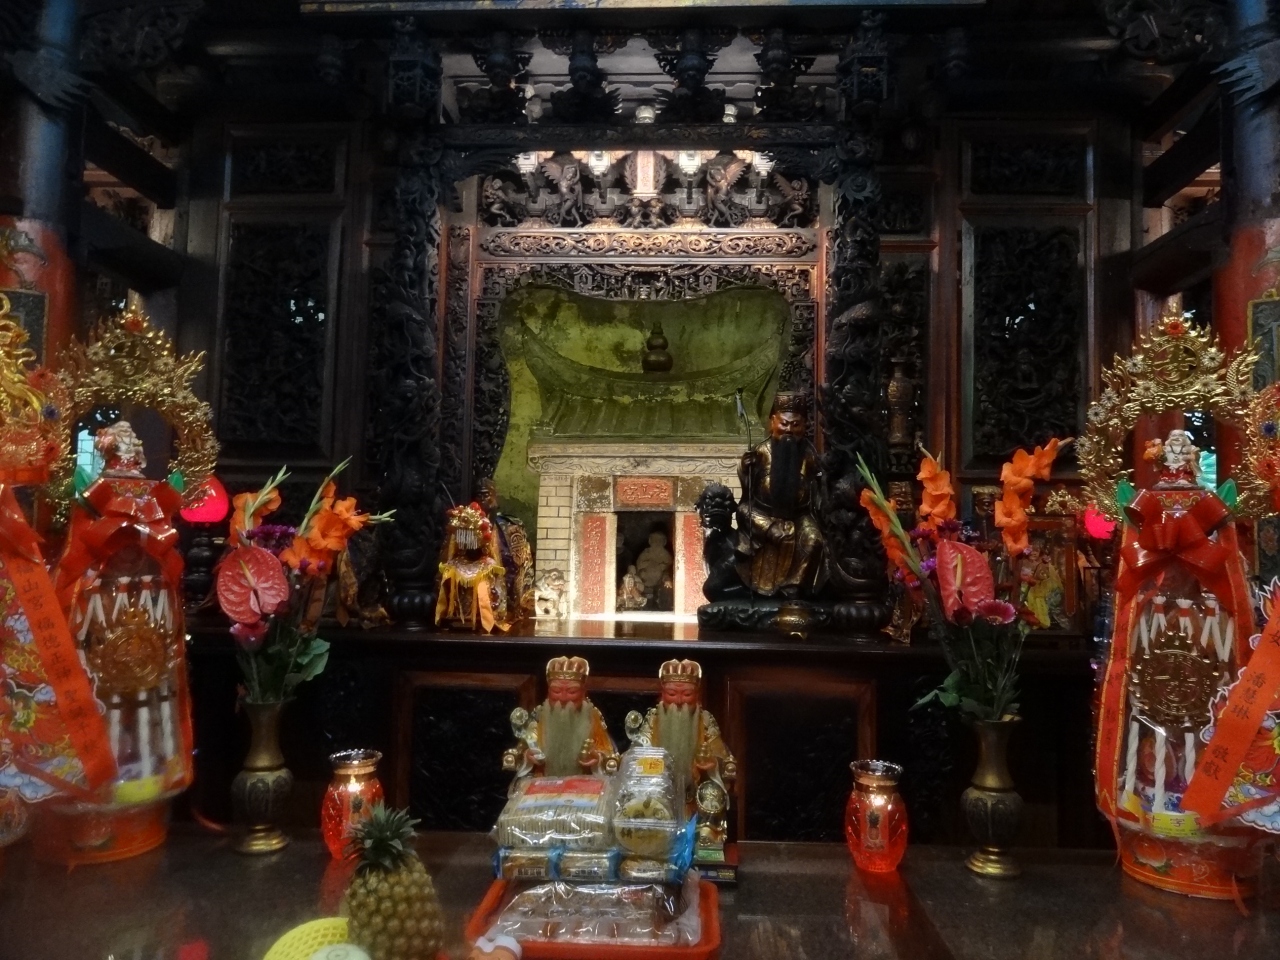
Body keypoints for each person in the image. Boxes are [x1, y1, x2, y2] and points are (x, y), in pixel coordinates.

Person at [625, 659, 736, 857]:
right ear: (662, 695)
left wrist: (712, 765)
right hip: (660, 795)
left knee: (712, 794)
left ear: (697, 696)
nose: (678, 701)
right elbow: (636, 754)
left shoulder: (705, 720)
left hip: (695, 795)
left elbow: (723, 757)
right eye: (671, 694)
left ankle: (706, 838)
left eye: (686, 694)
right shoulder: (653, 720)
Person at [735, 392, 826, 598]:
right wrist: (746, 469)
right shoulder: (761, 452)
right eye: (784, 424)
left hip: (799, 515)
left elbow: (819, 486)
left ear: (805, 426)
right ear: (772, 422)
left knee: (814, 540)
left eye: (795, 425)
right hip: (764, 513)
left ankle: (793, 587)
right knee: (745, 512)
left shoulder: (809, 454)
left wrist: (822, 476)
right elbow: (747, 494)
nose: (789, 430)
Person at [503, 657, 618, 780]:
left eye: (572, 692)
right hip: (544, 782)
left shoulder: (592, 717)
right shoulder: (539, 716)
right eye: (556, 691)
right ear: (548, 692)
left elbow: (610, 757)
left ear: (583, 692)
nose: (563, 698)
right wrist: (528, 756)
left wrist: (597, 758)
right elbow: (520, 751)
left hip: (582, 782)